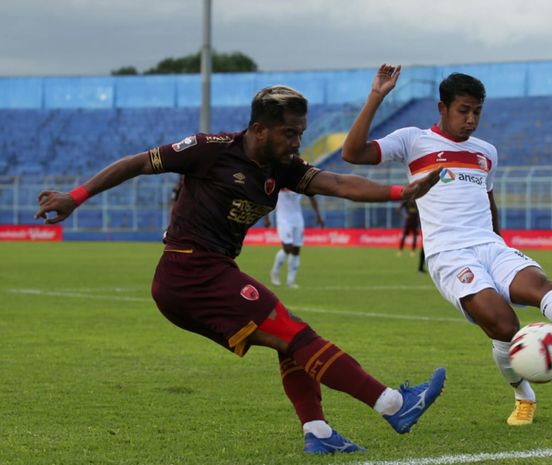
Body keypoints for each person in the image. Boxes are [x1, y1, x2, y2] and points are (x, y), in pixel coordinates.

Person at [35, 85, 446, 455]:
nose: (297, 141)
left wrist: (401, 191)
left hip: (203, 274)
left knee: (292, 336)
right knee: (296, 335)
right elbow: (136, 163)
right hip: (191, 271)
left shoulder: (283, 166)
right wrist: (76, 196)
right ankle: (393, 403)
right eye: (290, 132)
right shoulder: (209, 148)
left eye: (301, 132)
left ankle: (318, 431)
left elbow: (338, 185)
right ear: (259, 129)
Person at [341, 64, 552, 426]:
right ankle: (524, 395)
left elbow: (489, 202)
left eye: (477, 111)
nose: (471, 119)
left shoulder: (486, 152)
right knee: (505, 326)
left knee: (540, 286)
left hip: (490, 244)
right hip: (449, 254)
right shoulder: (413, 140)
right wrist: (377, 96)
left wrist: (503, 247)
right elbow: (353, 152)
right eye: (464, 110)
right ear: (442, 108)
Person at [264, 188, 324, 289]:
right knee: (288, 248)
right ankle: (275, 271)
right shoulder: (281, 182)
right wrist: (267, 218)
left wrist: (318, 215)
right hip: (283, 218)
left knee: (296, 250)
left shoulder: (300, 183)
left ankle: (290, 281)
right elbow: (266, 199)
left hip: (297, 219)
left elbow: (312, 197)